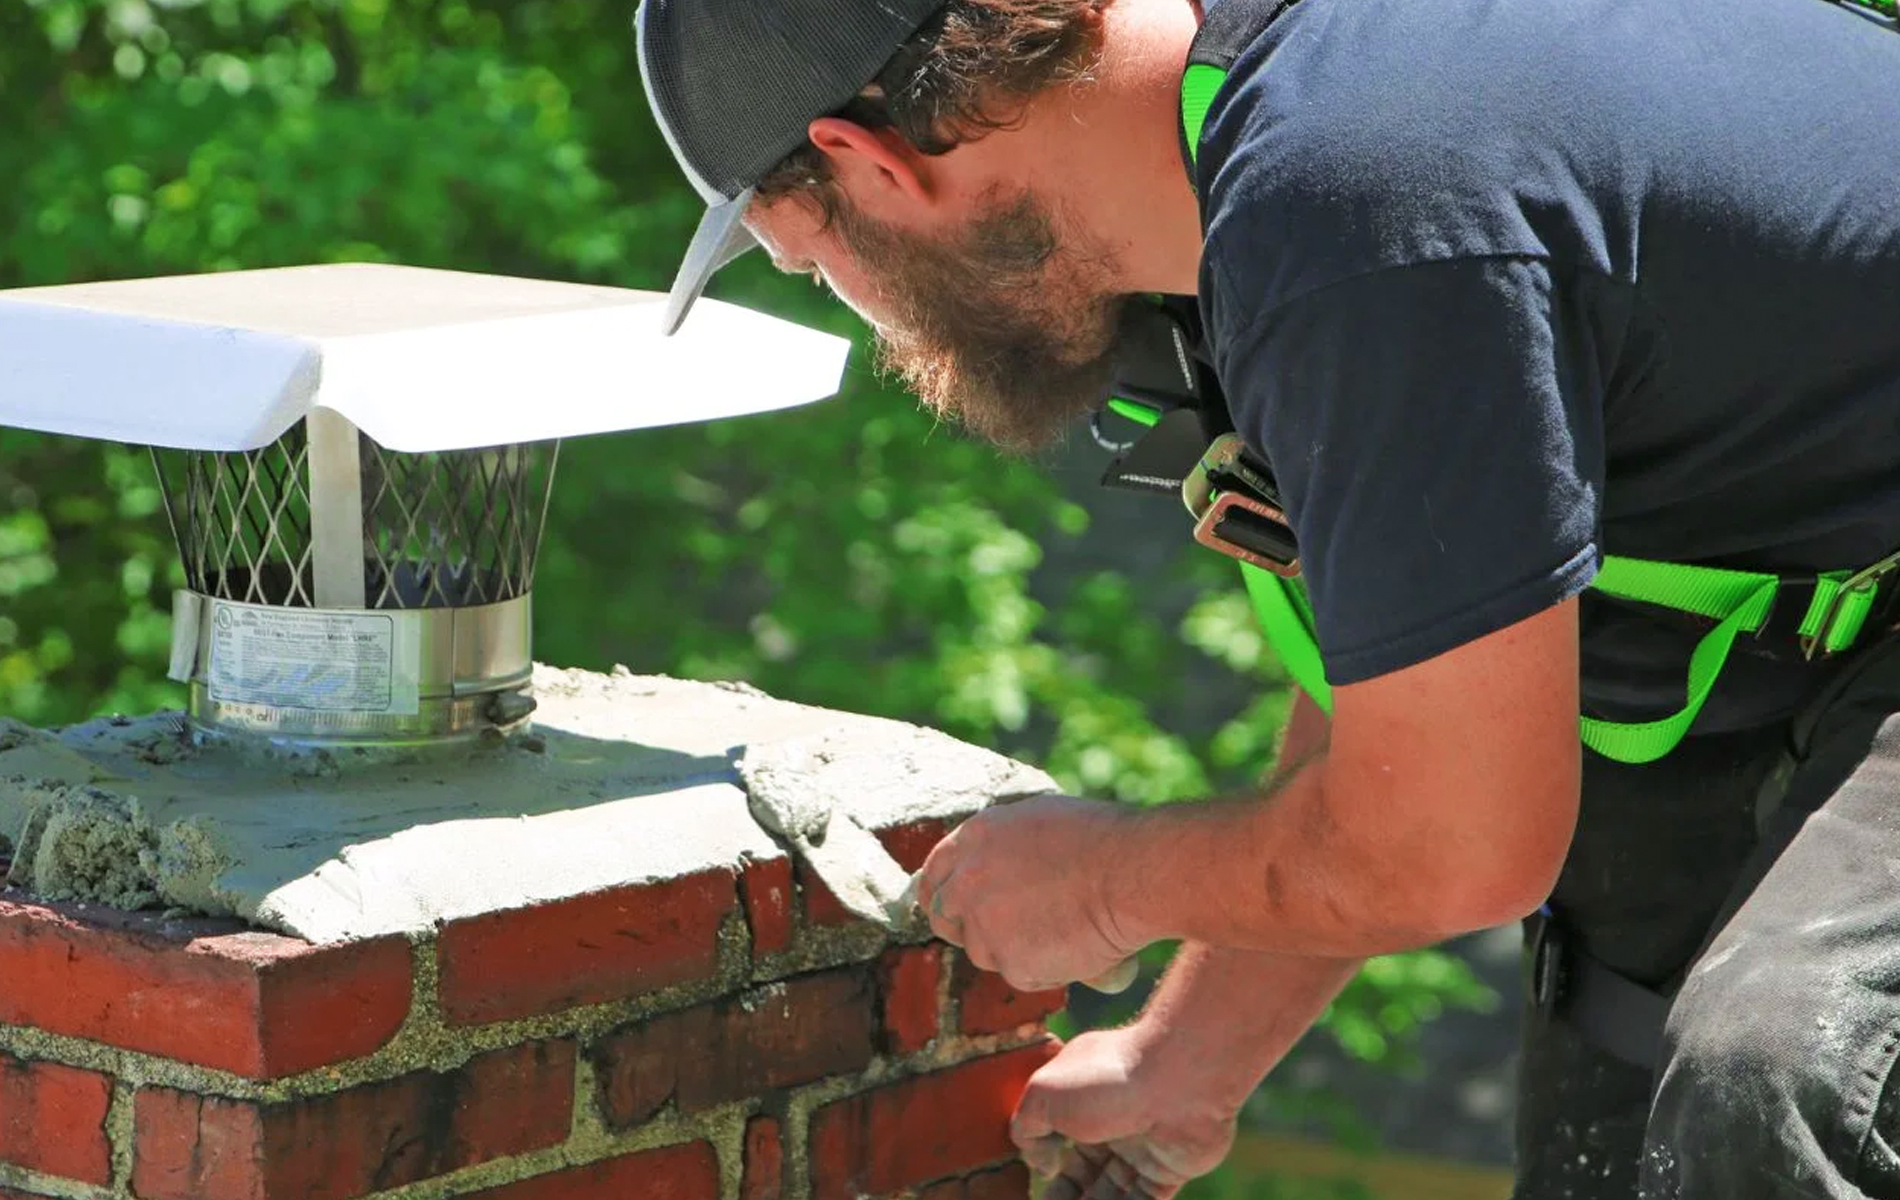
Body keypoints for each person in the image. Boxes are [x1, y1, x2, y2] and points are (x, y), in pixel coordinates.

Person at [636, 0, 1900, 1194]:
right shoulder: (1256, 136)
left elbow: (1454, 845)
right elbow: (1412, 712)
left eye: (811, 265)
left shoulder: (1361, 206)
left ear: (868, 164)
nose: (868, 322)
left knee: (1779, 1080)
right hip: (1813, 568)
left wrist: (1104, 880)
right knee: (1616, 1089)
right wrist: (1183, 1060)